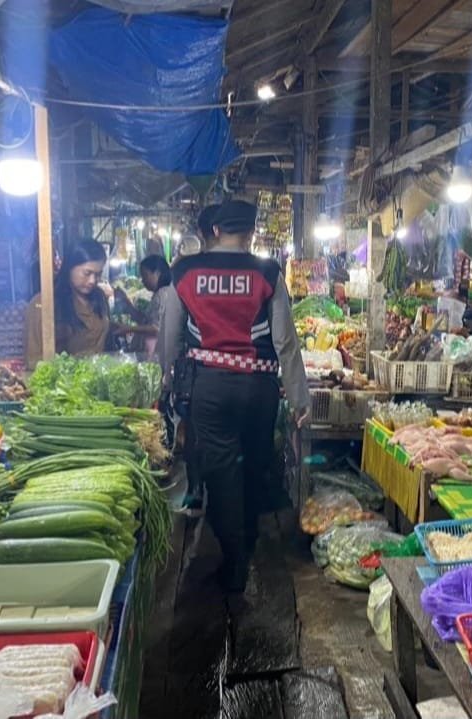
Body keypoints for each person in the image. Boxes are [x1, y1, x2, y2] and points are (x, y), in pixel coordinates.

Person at [162, 200, 310, 602]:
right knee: (254, 462)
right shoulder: (267, 272)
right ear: (251, 231)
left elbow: (170, 336)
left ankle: (234, 562)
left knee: (222, 470)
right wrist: (300, 398)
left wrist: (165, 380)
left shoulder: (185, 273)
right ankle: (249, 544)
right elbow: (284, 341)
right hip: (259, 390)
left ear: (213, 231)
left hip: (210, 388)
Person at [25, 240, 111, 369]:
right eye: (87, 273)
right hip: (63, 386)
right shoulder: (43, 304)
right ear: (69, 267)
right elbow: (33, 359)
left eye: (98, 274)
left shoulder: (99, 298)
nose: (93, 281)